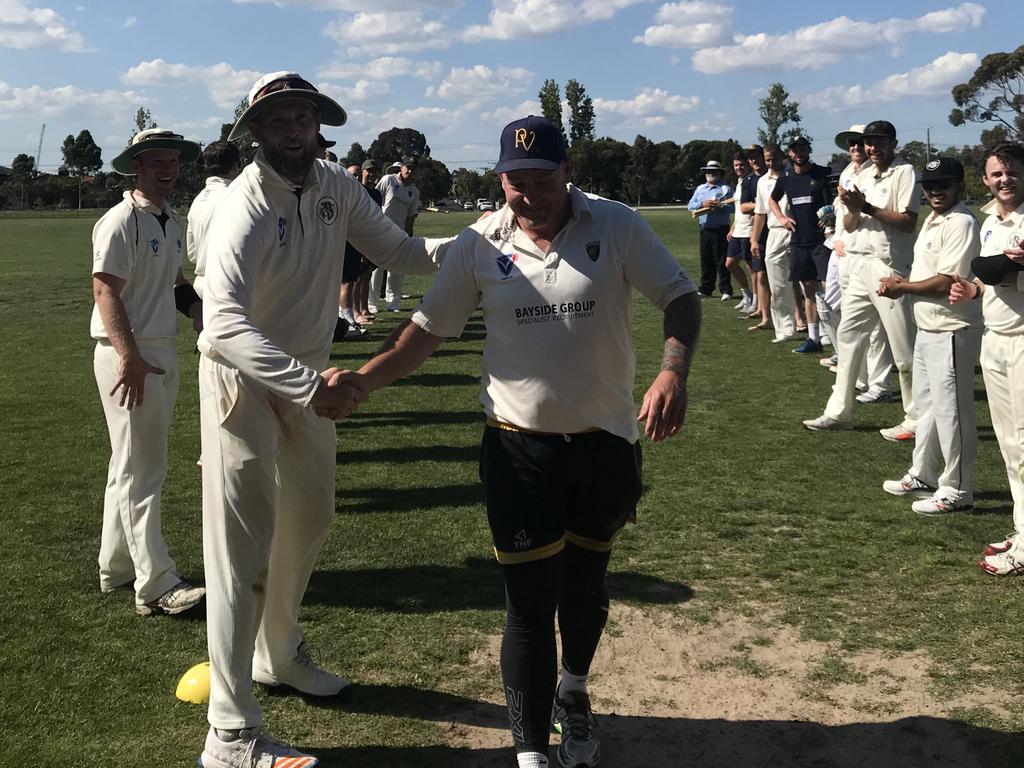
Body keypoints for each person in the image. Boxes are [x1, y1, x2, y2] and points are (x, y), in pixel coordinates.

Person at [343, 115, 701, 768]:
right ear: (500, 180)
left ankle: (575, 688)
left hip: (605, 446)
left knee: (585, 592)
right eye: (515, 182)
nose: (528, 196)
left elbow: (680, 296)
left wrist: (672, 371)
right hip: (517, 451)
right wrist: (363, 382)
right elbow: (425, 331)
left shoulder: (615, 225)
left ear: (569, 174)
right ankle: (530, 754)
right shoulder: (481, 243)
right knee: (529, 609)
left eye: (541, 181)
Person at [196, 71, 451, 768]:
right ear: (255, 131)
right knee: (239, 554)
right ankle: (230, 734)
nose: (292, 128)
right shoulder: (243, 204)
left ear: (318, 125)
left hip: (309, 381)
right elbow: (220, 325)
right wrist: (312, 386)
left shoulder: (337, 185)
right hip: (244, 383)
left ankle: (278, 654)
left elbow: (399, 251)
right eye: (277, 119)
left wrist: (482, 244)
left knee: (312, 517)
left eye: (303, 116)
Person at [91, 129, 206, 616]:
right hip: (131, 355)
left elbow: (176, 283)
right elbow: (105, 291)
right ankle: (155, 584)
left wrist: (204, 313)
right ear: (135, 166)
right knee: (145, 468)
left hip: (158, 348)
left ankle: (115, 567)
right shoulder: (121, 221)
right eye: (156, 160)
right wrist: (130, 356)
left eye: (173, 161)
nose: (168, 168)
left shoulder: (168, 219)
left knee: (128, 464)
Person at [803, 120, 920, 439]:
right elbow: (852, 225)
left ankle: (915, 416)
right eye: (869, 142)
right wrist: (852, 208)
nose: (872, 148)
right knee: (849, 338)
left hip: (889, 268)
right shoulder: (861, 174)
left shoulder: (905, 172)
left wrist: (865, 205)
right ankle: (839, 411)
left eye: (879, 142)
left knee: (902, 349)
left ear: (893, 143)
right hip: (858, 265)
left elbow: (908, 223)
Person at [879, 157, 981, 515]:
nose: (936, 191)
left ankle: (957, 487)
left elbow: (948, 281)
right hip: (928, 326)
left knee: (953, 411)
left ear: (960, 186)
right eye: (930, 185)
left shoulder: (962, 222)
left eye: (944, 184)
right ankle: (923, 473)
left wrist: (901, 287)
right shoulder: (934, 219)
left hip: (952, 327)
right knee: (927, 407)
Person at [949, 142, 1024, 575]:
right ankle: (1020, 526)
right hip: (995, 339)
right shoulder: (990, 221)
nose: (1004, 180)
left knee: (1023, 440)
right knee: (1010, 443)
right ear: (985, 179)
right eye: (997, 174)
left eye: (1012, 172)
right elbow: (992, 277)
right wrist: (974, 289)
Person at [820, 125, 895, 400]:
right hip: (844, 252)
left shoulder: (880, 174)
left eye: (859, 143)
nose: (855, 148)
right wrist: (835, 237)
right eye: (851, 144)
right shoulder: (848, 173)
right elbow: (844, 216)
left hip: (871, 255)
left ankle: (880, 384)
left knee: (876, 327)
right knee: (849, 321)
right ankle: (859, 378)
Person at [768, 136, 831, 354]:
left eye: (803, 148)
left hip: (823, 242)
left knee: (829, 290)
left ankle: (833, 337)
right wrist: (782, 219)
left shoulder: (823, 173)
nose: (799, 153)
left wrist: (832, 216)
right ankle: (813, 339)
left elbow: (836, 201)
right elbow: (772, 199)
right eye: (795, 150)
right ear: (790, 153)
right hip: (798, 241)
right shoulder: (785, 176)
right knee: (808, 289)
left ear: (808, 150)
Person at [186, 140, 242, 300]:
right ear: (237, 165)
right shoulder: (239, 197)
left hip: (202, 284)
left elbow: (192, 253)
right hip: (229, 285)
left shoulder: (198, 201)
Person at [751, 144, 796, 342]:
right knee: (777, 285)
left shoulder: (794, 174)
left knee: (805, 284)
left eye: (773, 159)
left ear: (782, 157)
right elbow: (760, 213)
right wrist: (754, 239)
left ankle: (816, 327)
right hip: (775, 233)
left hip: (798, 232)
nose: (770, 163)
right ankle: (785, 329)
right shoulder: (762, 182)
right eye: (767, 160)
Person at [339, 159, 384, 335]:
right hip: (349, 242)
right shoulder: (347, 194)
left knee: (363, 276)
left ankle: (359, 311)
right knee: (348, 282)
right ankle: (351, 315)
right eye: (354, 175)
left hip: (366, 240)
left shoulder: (373, 194)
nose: (357, 178)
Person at [371, 156, 421, 312]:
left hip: (399, 234)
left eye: (413, 169)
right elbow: (375, 200)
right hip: (380, 231)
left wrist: (408, 235)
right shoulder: (388, 180)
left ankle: (393, 302)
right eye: (408, 167)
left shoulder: (414, 191)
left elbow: (411, 215)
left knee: (397, 268)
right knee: (376, 268)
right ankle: (372, 304)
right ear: (402, 168)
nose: (410, 171)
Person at [687, 159, 734, 300]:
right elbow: (690, 205)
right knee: (706, 260)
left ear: (720, 173)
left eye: (713, 171)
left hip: (721, 229)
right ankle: (706, 289)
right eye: (708, 171)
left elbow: (734, 208)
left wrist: (721, 206)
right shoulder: (700, 189)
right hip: (704, 229)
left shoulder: (725, 189)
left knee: (722, 261)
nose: (710, 173)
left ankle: (726, 290)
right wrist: (703, 203)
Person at [743, 145, 771, 330]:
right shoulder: (749, 180)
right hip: (759, 231)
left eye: (756, 156)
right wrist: (759, 206)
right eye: (750, 157)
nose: (753, 160)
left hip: (777, 229)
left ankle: (796, 315)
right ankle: (763, 312)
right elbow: (743, 207)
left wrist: (761, 207)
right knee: (760, 274)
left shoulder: (774, 175)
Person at [724, 152, 756, 314]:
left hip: (749, 232)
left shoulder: (752, 181)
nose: (739, 168)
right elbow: (739, 209)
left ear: (748, 165)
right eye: (736, 165)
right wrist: (733, 228)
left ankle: (757, 300)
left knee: (752, 268)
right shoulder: (739, 183)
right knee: (730, 264)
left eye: (741, 164)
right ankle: (747, 294)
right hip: (738, 231)